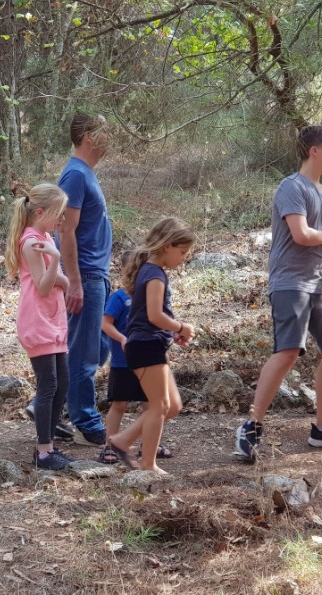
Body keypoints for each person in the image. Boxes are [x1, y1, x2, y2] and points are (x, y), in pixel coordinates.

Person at [236, 126, 322, 462]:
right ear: (314, 151)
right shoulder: (291, 187)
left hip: (321, 283)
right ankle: (251, 425)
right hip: (289, 282)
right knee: (288, 352)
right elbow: (302, 234)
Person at [108, 218, 196, 475]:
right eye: (182, 252)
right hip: (145, 346)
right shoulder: (154, 274)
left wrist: (171, 332)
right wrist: (180, 327)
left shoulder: (150, 271)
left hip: (151, 344)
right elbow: (155, 315)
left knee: (173, 406)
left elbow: (151, 317)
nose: (184, 258)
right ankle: (148, 464)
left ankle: (123, 439)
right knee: (159, 406)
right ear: (167, 246)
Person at [5, 184, 75, 471]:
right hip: (37, 321)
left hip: (54, 321)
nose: (62, 221)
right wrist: (56, 261)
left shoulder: (45, 237)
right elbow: (46, 286)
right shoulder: (32, 242)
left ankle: (49, 446)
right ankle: (43, 450)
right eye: (58, 214)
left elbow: (65, 282)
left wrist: (59, 274)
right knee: (48, 386)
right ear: (41, 212)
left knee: (63, 384)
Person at [57, 114, 114, 448]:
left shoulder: (85, 174)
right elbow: (65, 229)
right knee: (83, 354)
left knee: (105, 342)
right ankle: (84, 420)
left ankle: (48, 403)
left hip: (97, 275)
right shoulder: (76, 174)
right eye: (106, 131)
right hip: (87, 276)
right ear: (90, 136)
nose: (112, 138)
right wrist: (74, 282)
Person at [98, 252, 174, 465]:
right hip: (123, 361)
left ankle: (149, 445)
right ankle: (110, 445)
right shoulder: (120, 297)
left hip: (148, 361)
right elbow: (105, 323)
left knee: (152, 404)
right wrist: (122, 338)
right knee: (119, 404)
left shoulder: (153, 297)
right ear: (125, 271)